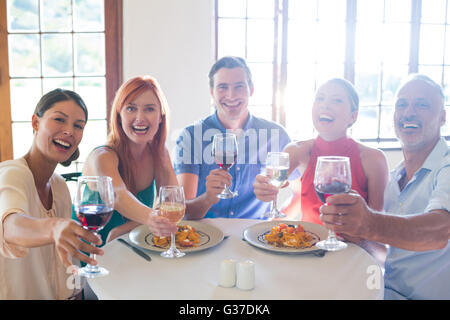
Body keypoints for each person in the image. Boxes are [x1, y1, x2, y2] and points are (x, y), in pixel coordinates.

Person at [320, 74, 450, 299]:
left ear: (442, 117)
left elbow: (441, 230)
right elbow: (387, 255)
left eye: (422, 105)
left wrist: (368, 223)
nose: (409, 112)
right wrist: (358, 237)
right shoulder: (395, 178)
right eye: (402, 105)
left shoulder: (446, 167)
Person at [0, 89, 103, 299]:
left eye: (78, 125)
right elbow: (9, 227)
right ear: (35, 123)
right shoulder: (12, 173)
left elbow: (62, 261)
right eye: (59, 119)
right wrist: (54, 226)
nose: (69, 131)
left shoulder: (59, 186)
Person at [254, 78, 389, 226]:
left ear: (353, 116)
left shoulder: (374, 159)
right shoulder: (297, 151)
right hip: (306, 244)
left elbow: (378, 225)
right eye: (320, 99)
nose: (325, 105)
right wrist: (264, 188)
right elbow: (273, 183)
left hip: (354, 246)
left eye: (336, 100)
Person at [174, 56, 291, 219]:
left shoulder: (276, 135)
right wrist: (208, 198)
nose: (231, 95)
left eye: (239, 86)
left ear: (251, 89)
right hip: (205, 239)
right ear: (212, 92)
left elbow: (301, 192)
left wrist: (277, 223)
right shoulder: (191, 137)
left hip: (254, 239)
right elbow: (183, 213)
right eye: (222, 87)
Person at [79, 76, 177, 245]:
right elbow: (117, 195)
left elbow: (172, 204)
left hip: (135, 248)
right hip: (93, 254)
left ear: (160, 117)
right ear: (119, 115)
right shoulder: (102, 156)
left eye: (149, 109)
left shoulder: (158, 153)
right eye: (131, 108)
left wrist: (124, 229)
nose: (140, 118)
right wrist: (150, 217)